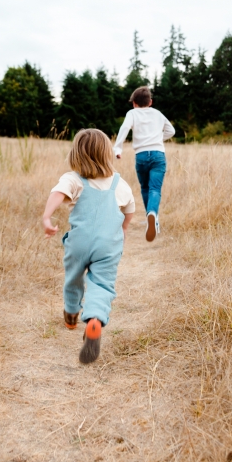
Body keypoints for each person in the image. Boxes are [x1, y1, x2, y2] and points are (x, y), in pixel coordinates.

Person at [42, 129, 135, 364]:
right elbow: (130, 210)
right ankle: (94, 319)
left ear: (76, 154)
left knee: (73, 277)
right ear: (107, 154)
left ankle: (72, 313)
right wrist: (122, 230)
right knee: (102, 284)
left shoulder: (74, 179)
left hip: (79, 241)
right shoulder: (120, 183)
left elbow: (57, 193)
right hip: (108, 245)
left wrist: (47, 218)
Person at [113, 86, 175, 242]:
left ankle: (151, 217)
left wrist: (118, 148)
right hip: (158, 155)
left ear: (134, 103)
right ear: (150, 102)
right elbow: (171, 131)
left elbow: (124, 128)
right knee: (155, 188)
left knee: (145, 187)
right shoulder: (158, 114)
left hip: (141, 156)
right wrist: (159, 139)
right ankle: (153, 216)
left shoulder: (132, 113)